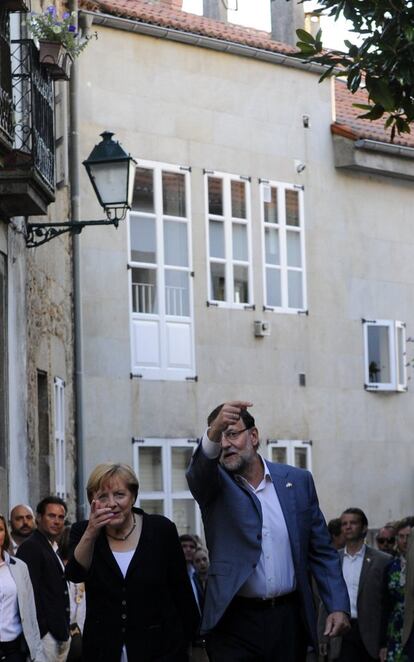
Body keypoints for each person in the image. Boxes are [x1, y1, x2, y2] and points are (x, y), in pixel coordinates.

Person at [186, 400, 350, 662]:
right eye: (220, 437)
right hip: (234, 621)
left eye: (232, 434)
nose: (225, 443)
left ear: (253, 435)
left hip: (287, 618)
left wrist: (338, 605)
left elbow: (321, 552)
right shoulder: (214, 486)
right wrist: (213, 432)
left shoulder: (297, 482)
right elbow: (197, 473)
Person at [65, 463, 199, 662]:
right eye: (102, 497)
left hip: (160, 649)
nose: (112, 503)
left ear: (133, 496)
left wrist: (196, 641)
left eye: (119, 494)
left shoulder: (161, 530)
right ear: (93, 500)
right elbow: (75, 574)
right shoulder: (83, 531)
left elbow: (181, 590)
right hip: (103, 650)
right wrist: (91, 532)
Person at [320, 507, 391, 661]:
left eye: (353, 523)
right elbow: (324, 601)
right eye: (344, 523)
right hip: (342, 631)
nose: (348, 526)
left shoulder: (382, 561)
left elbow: (387, 603)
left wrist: (385, 642)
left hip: (370, 634)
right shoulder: (333, 560)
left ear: (364, 527)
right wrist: (323, 637)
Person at [17, 497, 70, 662]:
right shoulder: (31, 546)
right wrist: (43, 630)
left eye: (61, 517)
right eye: (51, 516)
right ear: (39, 518)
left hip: (59, 633)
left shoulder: (52, 546)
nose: (57, 521)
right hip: (44, 636)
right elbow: (27, 593)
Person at [0, 514, 46, 661]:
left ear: (5, 534)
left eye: (0, 529)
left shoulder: (19, 567)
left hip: (14, 649)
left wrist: (37, 653)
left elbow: (31, 613)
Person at [382, 519, 412, 662]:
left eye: (409, 536)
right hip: (395, 630)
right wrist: (382, 643)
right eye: (401, 536)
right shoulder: (390, 566)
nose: (405, 541)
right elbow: (384, 605)